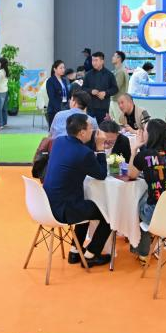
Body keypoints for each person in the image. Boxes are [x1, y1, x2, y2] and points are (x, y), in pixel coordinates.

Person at [42, 114, 112, 267]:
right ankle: (91, 254)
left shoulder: (59, 141)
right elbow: (101, 174)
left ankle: (75, 252)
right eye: (90, 127)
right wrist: (100, 147)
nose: (93, 130)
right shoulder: (84, 153)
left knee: (85, 204)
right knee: (109, 214)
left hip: (45, 204)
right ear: (82, 132)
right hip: (64, 210)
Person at [126, 118, 166, 261]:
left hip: (157, 215)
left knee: (135, 201)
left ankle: (142, 251)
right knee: (150, 195)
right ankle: (150, 246)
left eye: (145, 130)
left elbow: (131, 175)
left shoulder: (145, 155)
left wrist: (134, 150)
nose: (143, 132)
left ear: (151, 134)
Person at [81, 51, 118, 124]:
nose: (94, 63)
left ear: (102, 61)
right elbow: (83, 88)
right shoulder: (88, 74)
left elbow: (115, 89)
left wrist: (105, 93)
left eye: (96, 60)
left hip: (103, 108)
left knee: (103, 128)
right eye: (93, 60)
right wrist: (91, 91)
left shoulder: (109, 74)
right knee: (89, 128)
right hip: (90, 107)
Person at [44, 60, 70, 130]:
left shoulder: (64, 80)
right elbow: (51, 97)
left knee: (64, 129)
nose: (63, 70)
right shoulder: (50, 81)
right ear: (55, 69)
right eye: (60, 68)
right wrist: (58, 109)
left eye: (63, 68)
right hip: (54, 108)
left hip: (65, 106)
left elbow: (67, 94)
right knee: (54, 130)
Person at [111, 50, 129, 120]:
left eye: (114, 56)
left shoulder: (120, 71)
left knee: (119, 122)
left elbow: (116, 87)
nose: (112, 58)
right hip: (116, 100)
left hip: (118, 101)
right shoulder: (117, 71)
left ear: (119, 58)